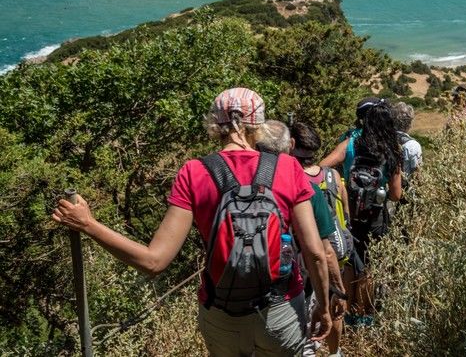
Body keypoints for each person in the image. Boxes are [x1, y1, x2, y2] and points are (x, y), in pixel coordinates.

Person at [52, 88, 331, 357]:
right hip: (281, 309)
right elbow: (315, 253)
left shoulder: (193, 172)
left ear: (214, 124)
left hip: (222, 313)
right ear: (258, 124)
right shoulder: (288, 167)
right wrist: (324, 307)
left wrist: (89, 224)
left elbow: (153, 261)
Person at [320, 98, 402, 320]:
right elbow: (396, 194)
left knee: (347, 261)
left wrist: (339, 186)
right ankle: (363, 314)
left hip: (349, 213)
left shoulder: (350, 143)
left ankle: (344, 312)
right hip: (376, 216)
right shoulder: (393, 148)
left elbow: (322, 168)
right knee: (370, 266)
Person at [290, 121, 351, 356]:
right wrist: (339, 286)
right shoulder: (332, 175)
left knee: (306, 317)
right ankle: (335, 352)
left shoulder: (292, 181)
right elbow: (345, 214)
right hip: (335, 250)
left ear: (291, 145)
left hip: (306, 262)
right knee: (332, 305)